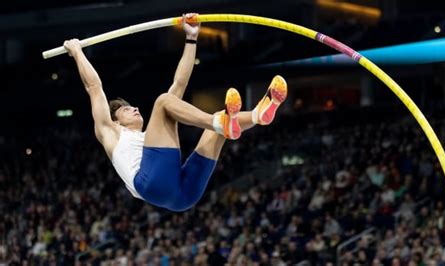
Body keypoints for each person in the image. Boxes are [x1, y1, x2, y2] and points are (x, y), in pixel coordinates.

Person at [63, 13, 287, 211]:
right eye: (125, 109)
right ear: (116, 121)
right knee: (163, 102)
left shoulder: (153, 138)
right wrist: (77, 52)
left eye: (131, 106)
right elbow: (94, 88)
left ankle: (258, 115)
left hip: (182, 197)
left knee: (212, 120)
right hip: (151, 183)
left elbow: (179, 83)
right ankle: (219, 122)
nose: (135, 108)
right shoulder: (110, 133)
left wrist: (191, 38)